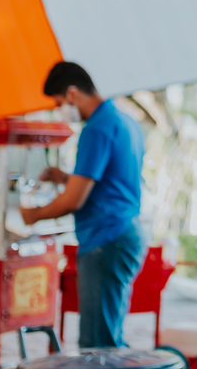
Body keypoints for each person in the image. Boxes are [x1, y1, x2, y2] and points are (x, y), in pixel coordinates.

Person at [20, 62, 145, 348]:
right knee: (108, 334)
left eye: (59, 102)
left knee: (98, 344)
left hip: (106, 238)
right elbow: (110, 181)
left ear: (73, 93)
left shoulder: (97, 128)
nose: (59, 109)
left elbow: (75, 199)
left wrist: (33, 215)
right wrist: (65, 177)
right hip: (124, 233)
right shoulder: (124, 121)